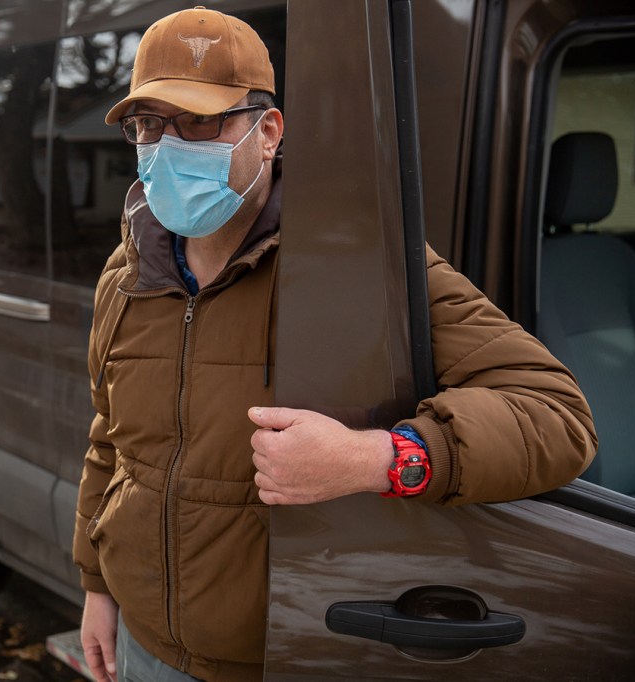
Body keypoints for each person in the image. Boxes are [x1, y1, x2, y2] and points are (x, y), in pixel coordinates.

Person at [73, 7, 597, 682]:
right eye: (149, 125)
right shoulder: (126, 273)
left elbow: (558, 417)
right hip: (144, 647)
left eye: (199, 122)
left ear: (268, 132)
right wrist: (97, 583)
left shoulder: (356, 263)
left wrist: (374, 458)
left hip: (279, 660)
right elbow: (111, 441)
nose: (167, 146)